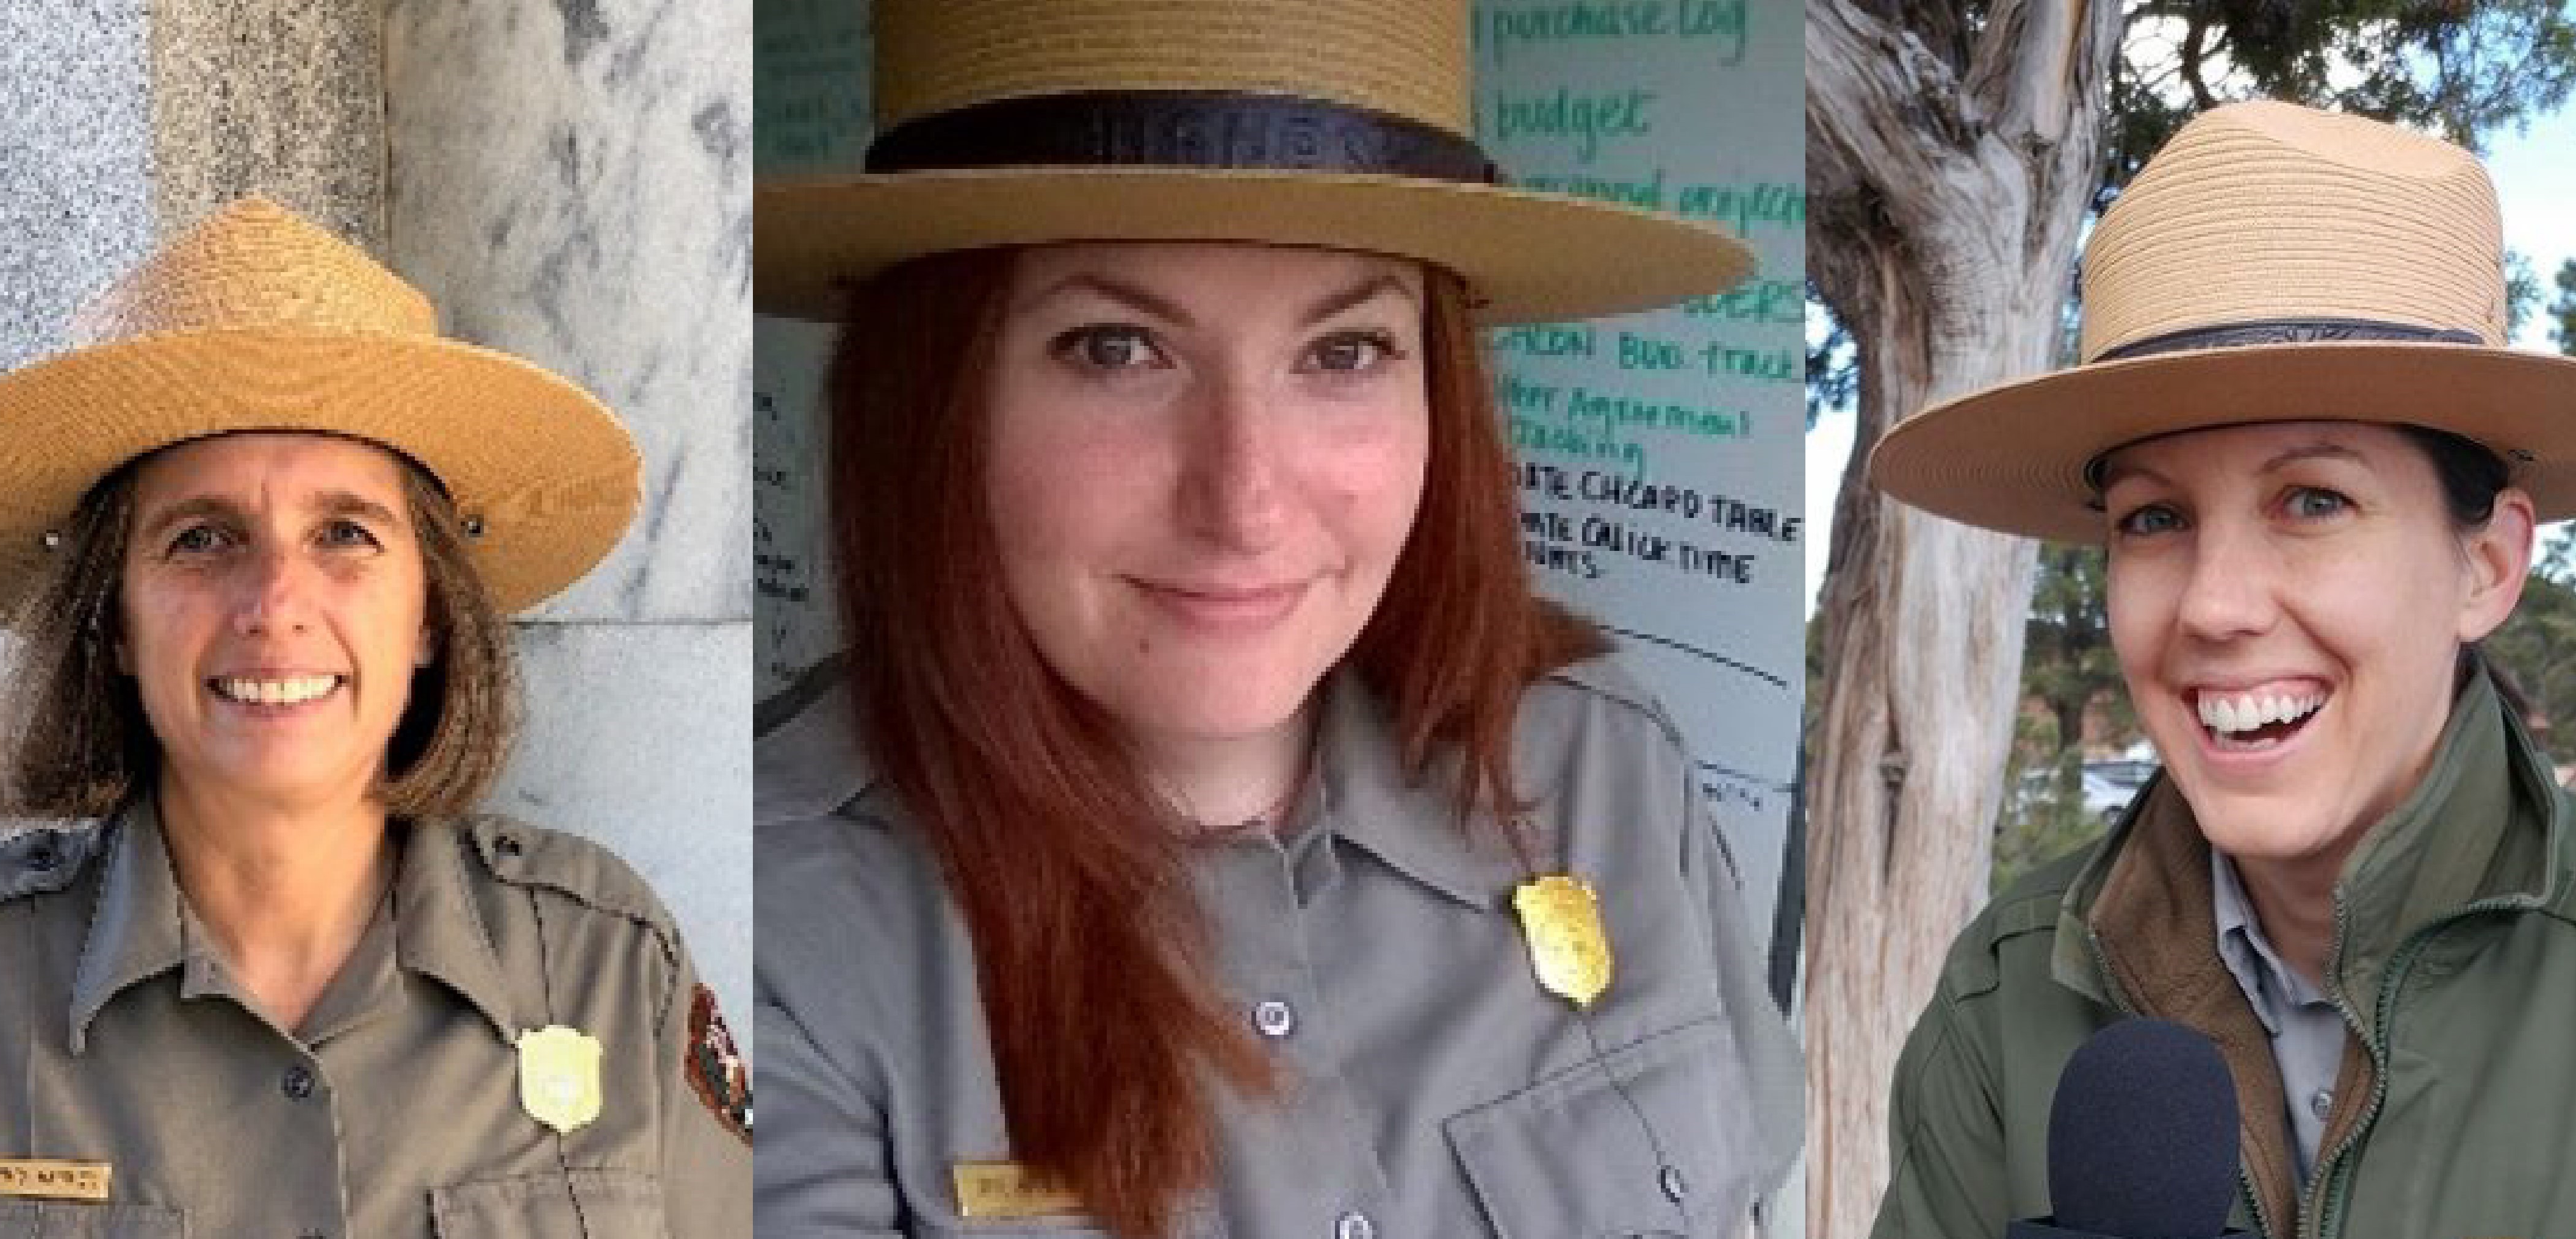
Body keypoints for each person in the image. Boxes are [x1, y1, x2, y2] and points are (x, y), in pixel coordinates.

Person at [750, 0, 1800, 1234]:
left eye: (1344, 351)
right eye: (1114, 347)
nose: (1243, 502)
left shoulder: (1601, 770)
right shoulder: (777, 929)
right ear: (931, 400)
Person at [1863, 101, 2576, 1238]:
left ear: (2486, 563)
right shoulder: (2008, 998)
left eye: (2313, 501)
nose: (2217, 605)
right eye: (2153, 517)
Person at [0, 197, 753, 1237]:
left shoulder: (607, 965)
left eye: (345, 534)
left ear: (427, 614)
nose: (276, 603)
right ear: (116, 628)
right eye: (201, 540)